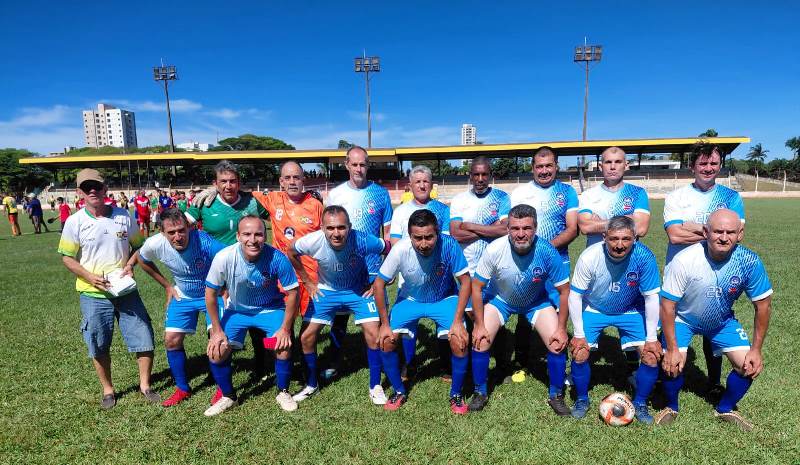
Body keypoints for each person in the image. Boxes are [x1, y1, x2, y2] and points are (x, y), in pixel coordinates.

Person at [656, 209, 772, 431]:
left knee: (748, 365)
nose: (724, 237)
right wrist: (671, 348)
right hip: (683, 319)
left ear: (740, 234)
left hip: (721, 322)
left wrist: (756, 350)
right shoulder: (685, 260)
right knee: (673, 363)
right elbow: (667, 306)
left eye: (730, 232)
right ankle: (671, 406)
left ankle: (725, 408)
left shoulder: (749, 261)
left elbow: (763, 306)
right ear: (706, 232)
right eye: (718, 231)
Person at [58, 169, 158, 409]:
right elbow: (67, 257)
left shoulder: (123, 216)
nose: (93, 190)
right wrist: (89, 277)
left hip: (125, 291)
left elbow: (139, 247)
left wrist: (131, 264)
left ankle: (145, 385)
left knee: (143, 335)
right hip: (93, 294)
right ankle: (108, 390)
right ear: (79, 192)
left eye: (97, 186)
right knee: (98, 341)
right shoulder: (74, 222)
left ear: (105, 189)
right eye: (87, 187)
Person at [468, 204, 570, 414]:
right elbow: (476, 287)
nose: (521, 234)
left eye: (526, 228)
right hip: (501, 300)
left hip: (536, 301)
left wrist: (561, 328)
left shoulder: (547, 251)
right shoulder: (495, 249)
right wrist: (478, 325)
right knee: (481, 340)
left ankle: (556, 394)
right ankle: (480, 392)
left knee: (557, 344)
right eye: (515, 228)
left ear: (535, 228)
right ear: (507, 229)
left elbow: (564, 291)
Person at [663, 143, 746, 396]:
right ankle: (665, 378)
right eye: (703, 163)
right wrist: (712, 234)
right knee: (672, 321)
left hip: (718, 272)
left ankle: (713, 382)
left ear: (720, 165)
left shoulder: (731, 198)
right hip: (681, 274)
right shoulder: (677, 197)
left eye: (713, 163)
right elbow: (674, 235)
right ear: (692, 166)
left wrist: (691, 226)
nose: (708, 168)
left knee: (714, 324)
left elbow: (735, 237)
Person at [287, 206, 391, 405]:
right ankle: (311, 385)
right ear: (322, 228)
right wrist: (307, 281)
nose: (336, 233)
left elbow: (389, 248)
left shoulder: (362, 239)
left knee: (373, 333)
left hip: (358, 291)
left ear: (349, 227)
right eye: (331, 228)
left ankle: (375, 385)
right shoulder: (313, 241)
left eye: (341, 227)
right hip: (326, 291)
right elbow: (291, 251)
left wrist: (380, 280)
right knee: (306, 336)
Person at [373, 210, 472, 413]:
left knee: (459, 341)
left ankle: (456, 394)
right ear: (410, 236)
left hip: (444, 299)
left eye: (429, 237)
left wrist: (457, 322)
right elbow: (379, 284)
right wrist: (384, 324)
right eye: (417, 238)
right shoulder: (400, 250)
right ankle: (399, 390)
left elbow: (465, 281)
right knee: (386, 341)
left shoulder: (449, 245)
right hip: (411, 300)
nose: (424, 243)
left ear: (437, 233)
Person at [567, 216, 662, 423]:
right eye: (613, 239)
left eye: (626, 239)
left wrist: (652, 338)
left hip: (630, 309)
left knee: (651, 356)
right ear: (604, 237)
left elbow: (652, 297)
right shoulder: (590, 256)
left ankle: (640, 403)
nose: (619, 245)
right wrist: (578, 334)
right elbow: (575, 296)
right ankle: (582, 399)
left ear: (635, 238)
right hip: (595, 308)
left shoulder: (644, 256)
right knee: (580, 352)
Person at [204, 215, 300, 416]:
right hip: (237, 310)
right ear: (238, 236)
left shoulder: (277, 258)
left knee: (282, 346)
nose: (253, 240)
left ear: (265, 236)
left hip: (270, 309)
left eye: (258, 234)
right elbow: (210, 294)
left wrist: (285, 329)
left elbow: (293, 293)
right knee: (217, 350)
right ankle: (229, 396)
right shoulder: (224, 257)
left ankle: (282, 391)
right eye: (247, 234)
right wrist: (216, 331)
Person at [185, 160, 272, 382]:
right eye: (223, 181)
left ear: (239, 183)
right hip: (216, 274)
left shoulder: (252, 202)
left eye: (232, 181)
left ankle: (261, 366)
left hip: (251, 271)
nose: (228, 185)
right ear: (215, 183)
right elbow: (178, 224)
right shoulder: (205, 204)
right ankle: (221, 368)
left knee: (256, 320)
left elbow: (277, 213)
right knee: (218, 321)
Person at [136, 208, 226, 407]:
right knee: (171, 340)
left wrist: (226, 287)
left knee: (217, 339)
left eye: (181, 230)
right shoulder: (154, 244)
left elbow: (229, 258)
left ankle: (223, 388)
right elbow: (142, 259)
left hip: (211, 294)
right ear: (162, 232)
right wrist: (167, 286)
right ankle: (183, 388)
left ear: (189, 227)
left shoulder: (204, 241)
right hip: (183, 295)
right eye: (171, 232)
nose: (178, 237)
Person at [505, 146, 579, 381]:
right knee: (524, 312)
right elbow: (512, 228)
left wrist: (544, 251)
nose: (544, 170)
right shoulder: (520, 192)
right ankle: (521, 363)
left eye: (549, 166)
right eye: (539, 166)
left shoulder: (567, 192)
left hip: (558, 262)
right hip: (525, 264)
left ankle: (558, 365)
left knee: (559, 312)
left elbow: (572, 229)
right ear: (532, 168)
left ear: (556, 166)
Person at [324, 146, 393, 379]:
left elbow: (388, 235)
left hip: (371, 269)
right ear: (346, 165)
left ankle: (383, 360)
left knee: (379, 318)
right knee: (339, 318)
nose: (358, 169)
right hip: (342, 268)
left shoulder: (380, 194)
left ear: (368, 165)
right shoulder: (335, 194)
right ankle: (334, 359)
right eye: (354, 164)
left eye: (362, 164)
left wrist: (387, 269)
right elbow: (328, 232)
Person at [389, 165, 452, 380]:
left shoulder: (443, 210)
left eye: (426, 181)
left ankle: (445, 364)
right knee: (409, 322)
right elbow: (395, 243)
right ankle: (410, 364)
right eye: (418, 181)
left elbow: (445, 243)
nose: (422, 185)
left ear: (432, 185)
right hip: (410, 278)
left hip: (438, 277)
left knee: (443, 320)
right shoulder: (401, 211)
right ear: (410, 185)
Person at [449, 156, 511, 274]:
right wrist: (492, 229)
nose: (480, 179)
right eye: (476, 174)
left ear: (490, 175)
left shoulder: (501, 197)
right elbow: (456, 234)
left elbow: (505, 229)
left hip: (495, 268)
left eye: (484, 174)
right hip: (467, 268)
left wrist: (469, 226)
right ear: (470, 176)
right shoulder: (459, 199)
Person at [578, 146, 650, 247]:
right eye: (608, 162)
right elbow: (585, 227)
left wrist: (599, 223)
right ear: (600, 166)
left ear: (626, 165)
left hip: (629, 255)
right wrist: (627, 220)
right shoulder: (588, 195)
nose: (612, 166)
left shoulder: (638, 192)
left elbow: (641, 228)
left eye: (618, 162)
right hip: (596, 254)